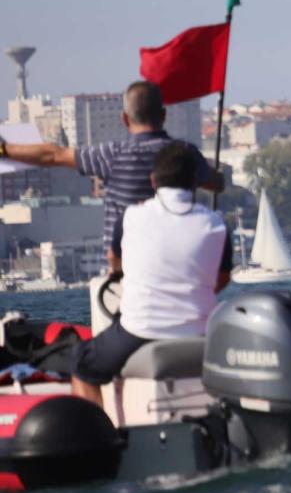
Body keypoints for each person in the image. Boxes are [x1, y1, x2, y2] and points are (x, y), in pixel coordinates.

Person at [70, 142, 232, 407]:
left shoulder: (132, 216)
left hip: (140, 329)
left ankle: (102, 439)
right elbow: (222, 278)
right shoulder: (216, 223)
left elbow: (115, 259)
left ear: (153, 180)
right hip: (201, 330)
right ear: (194, 182)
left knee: (82, 362)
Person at [0, 81, 222, 272]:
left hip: (127, 266)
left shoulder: (111, 155)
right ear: (163, 115)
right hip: (180, 263)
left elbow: (53, 155)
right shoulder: (185, 153)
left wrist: (4, 150)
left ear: (125, 119)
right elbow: (216, 184)